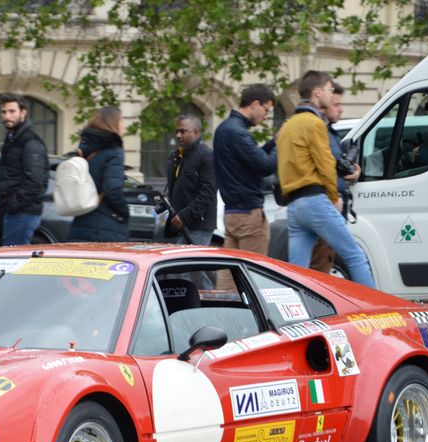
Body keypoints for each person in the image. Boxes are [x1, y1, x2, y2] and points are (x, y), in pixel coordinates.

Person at [278, 71, 375, 287]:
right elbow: (326, 165)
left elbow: (282, 168)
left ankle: (297, 308)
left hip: (294, 205)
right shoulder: (314, 123)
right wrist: (334, 197)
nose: (332, 96)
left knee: (297, 273)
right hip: (315, 200)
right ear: (317, 92)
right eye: (330, 90)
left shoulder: (287, 126)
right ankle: (376, 305)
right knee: (355, 255)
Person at [213, 84, 278, 257]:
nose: (265, 116)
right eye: (266, 110)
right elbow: (265, 166)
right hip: (248, 214)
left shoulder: (224, 129)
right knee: (253, 268)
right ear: (255, 104)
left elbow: (253, 159)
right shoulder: (238, 132)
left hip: (231, 212)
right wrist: (280, 144)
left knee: (230, 271)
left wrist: (273, 142)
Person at [310, 81, 361, 274]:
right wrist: (348, 176)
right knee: (349, 259)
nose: (341, 109)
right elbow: (328, 170)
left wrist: (348, 176)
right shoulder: (322, 132)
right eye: (336, 104)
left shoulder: (328, 131)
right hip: (327, 207)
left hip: (324, 206)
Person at [66, 106, 129, 242]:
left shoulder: (83, 149)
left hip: (82, 218)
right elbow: (113, 188)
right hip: (106, 223)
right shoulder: (114, 151)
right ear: (114, 123)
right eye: (122, 121)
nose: (124, 125)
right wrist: (124, 211)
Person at [0, 93, 48, 246]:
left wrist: (13, 205)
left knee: (13, 256)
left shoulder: (30, 141)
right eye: (4, 112)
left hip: (22, 212)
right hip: (12, 210)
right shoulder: (12, 139)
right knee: (8, 255)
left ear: (23, 113)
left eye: (12, 111)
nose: (7, 116)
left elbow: (34, 181)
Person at [158, 113, 216, 247]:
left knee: (193, 261)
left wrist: (184, 216)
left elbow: (207, 193)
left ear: (196, 132)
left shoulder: (206, 156)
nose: (178, 135)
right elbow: (180, 188)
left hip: (198, 226)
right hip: (178, 225)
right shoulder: (177, 156)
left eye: (183, 131)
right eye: (177, 131)